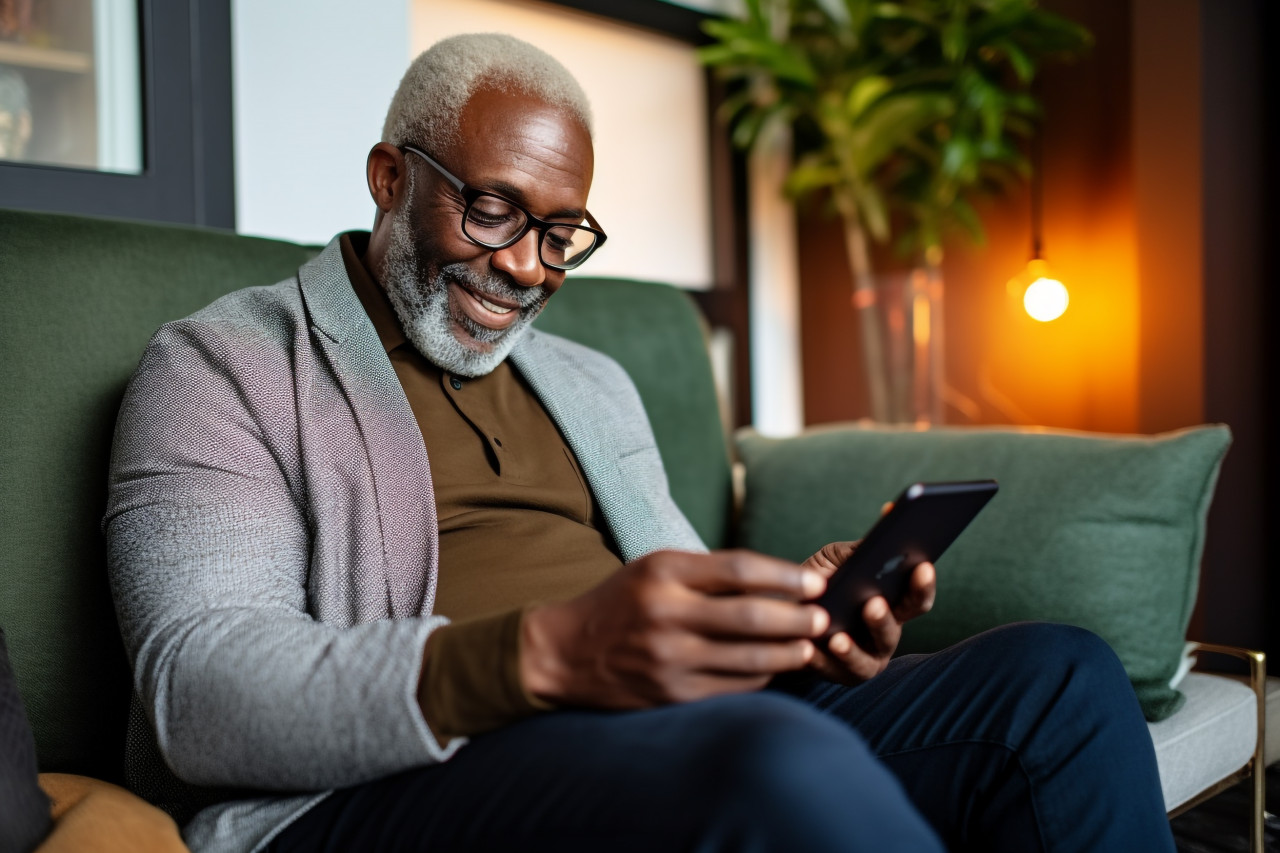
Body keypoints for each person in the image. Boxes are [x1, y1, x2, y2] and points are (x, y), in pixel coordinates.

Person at [105, 33, 1176, 853]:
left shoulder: (586, 381)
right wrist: (549, 652)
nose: (526, 267)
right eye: (491, 211)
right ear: (390, 177)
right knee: (768, 756)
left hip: (660, 726)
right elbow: (197, 694)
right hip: (384, 783)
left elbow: (667, 591)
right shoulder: (224, 365)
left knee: (1058, 678)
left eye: (558, 232)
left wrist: (785, 617)